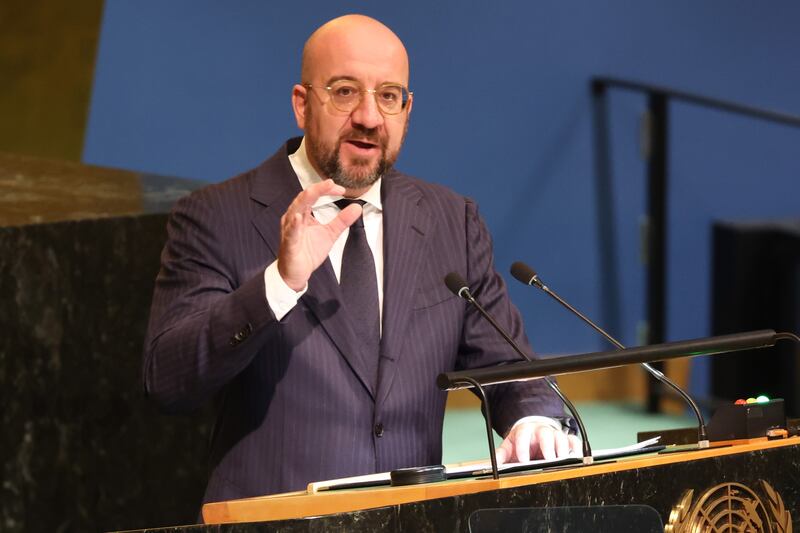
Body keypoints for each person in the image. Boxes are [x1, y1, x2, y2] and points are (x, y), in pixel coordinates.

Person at [143, 14, 581, 505]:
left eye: (388, 96)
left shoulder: (450, 221)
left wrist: (533, 418)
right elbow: (169, 380)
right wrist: (278, 284)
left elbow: (505, 363)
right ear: (302, 104)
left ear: (407, 110)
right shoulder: (215, 216)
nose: (369, 118)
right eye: (346, 92)